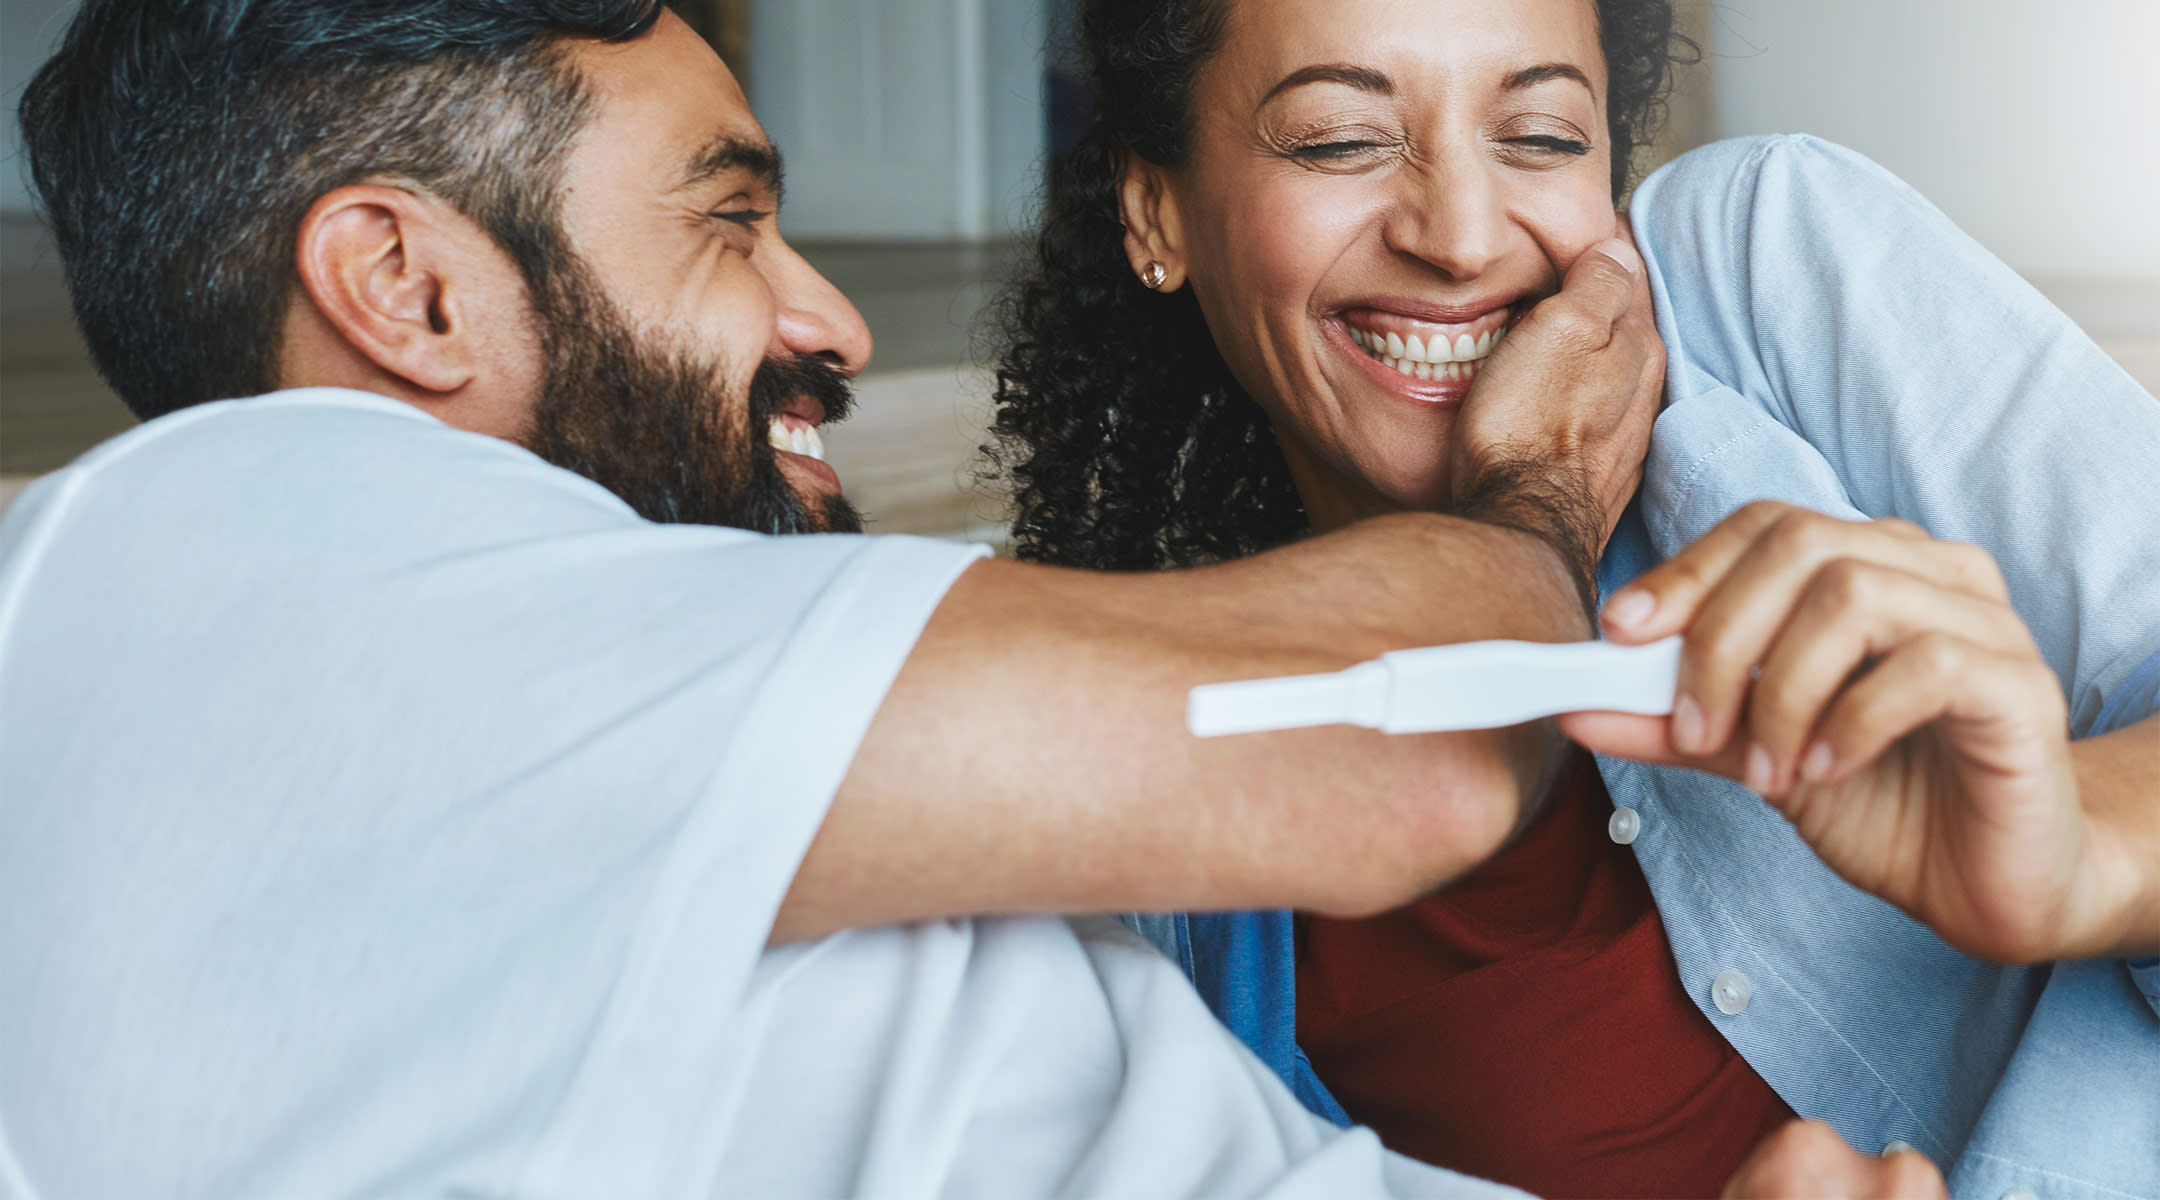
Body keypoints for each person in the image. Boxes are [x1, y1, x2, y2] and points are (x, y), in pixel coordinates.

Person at [986, 0, 2160, 1196]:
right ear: (1157, 209)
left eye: (1541, 137)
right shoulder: (1166, 842)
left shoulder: (1757, 269)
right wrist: (1532, 496)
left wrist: (2082, 850)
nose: (1461, 237)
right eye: (1342, 140)